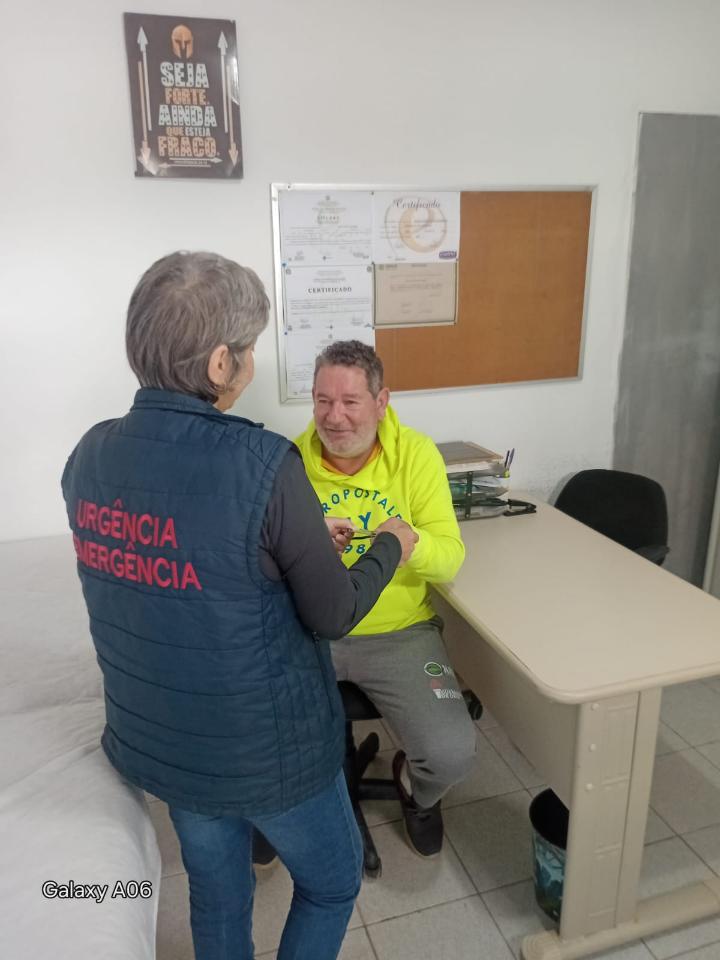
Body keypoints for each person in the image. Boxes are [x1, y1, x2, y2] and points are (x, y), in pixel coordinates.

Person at [61, 253, 417, 960]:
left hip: (164, 738)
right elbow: (333, 613)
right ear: (221, 363)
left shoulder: (90, 455)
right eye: (249, 347)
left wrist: (298, 536)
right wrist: (388, 546)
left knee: (218, 893)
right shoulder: (262, 462)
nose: (252, 361)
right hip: (263, 751)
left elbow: (191, 558)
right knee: (332, 883)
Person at [295, 340, 477, 858]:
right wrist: (307, 544)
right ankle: (300, 806)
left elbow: (450, 559)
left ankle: (416, 791)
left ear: (381, 402)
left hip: (401, 632)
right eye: (323, 400)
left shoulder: (416, 454)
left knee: (451, 755)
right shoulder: (289, 460)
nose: (334, 417)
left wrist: (408, 544)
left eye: (350, 402)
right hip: (313, 630)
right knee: (261, 733)